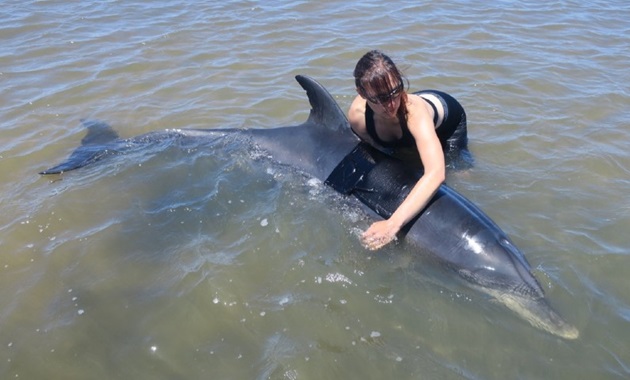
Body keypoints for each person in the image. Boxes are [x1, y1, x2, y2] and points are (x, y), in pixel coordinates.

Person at [347, 50, 468, 250]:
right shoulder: (358, 117)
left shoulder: (415, 113)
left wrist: (392, 224)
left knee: (460, 172)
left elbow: (436, 173)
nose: (392, 103)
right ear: (362, 93)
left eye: (396, 90)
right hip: (411, 127)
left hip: (449, 124)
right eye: (382, 98)